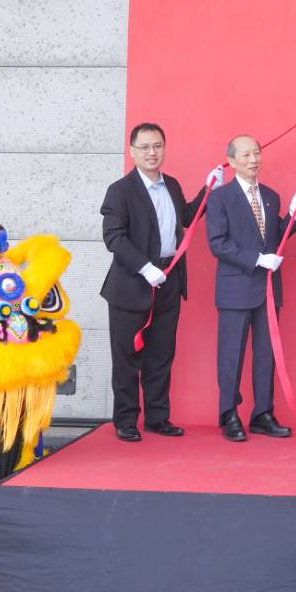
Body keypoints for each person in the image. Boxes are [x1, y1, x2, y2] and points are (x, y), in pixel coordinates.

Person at [99, 123, 224, 443]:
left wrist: (209, 190)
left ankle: (157, 417)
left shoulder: (172, 185)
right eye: (145, 147)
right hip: (132, 284)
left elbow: (188, 217)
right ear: (132, 151)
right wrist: (144, 267)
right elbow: (114, 238)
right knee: (127, 358)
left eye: (157, 146)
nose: (152, 152)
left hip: (169, 279)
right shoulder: (120, 191)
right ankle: (126, 420)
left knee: (161, 355)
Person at [206, 134, 296, 442]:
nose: (253, 159)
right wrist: (257, 259)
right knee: (231, 355)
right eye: (246, 154)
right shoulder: (220, 197)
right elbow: (218, 243)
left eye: (257, 153)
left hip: (268, 289)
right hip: (236, 288)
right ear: (232, 161)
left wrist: (295, 215)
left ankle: (263, 413)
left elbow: (275, 236)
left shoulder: (271, 196)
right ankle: (229, 414)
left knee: (266, 354)